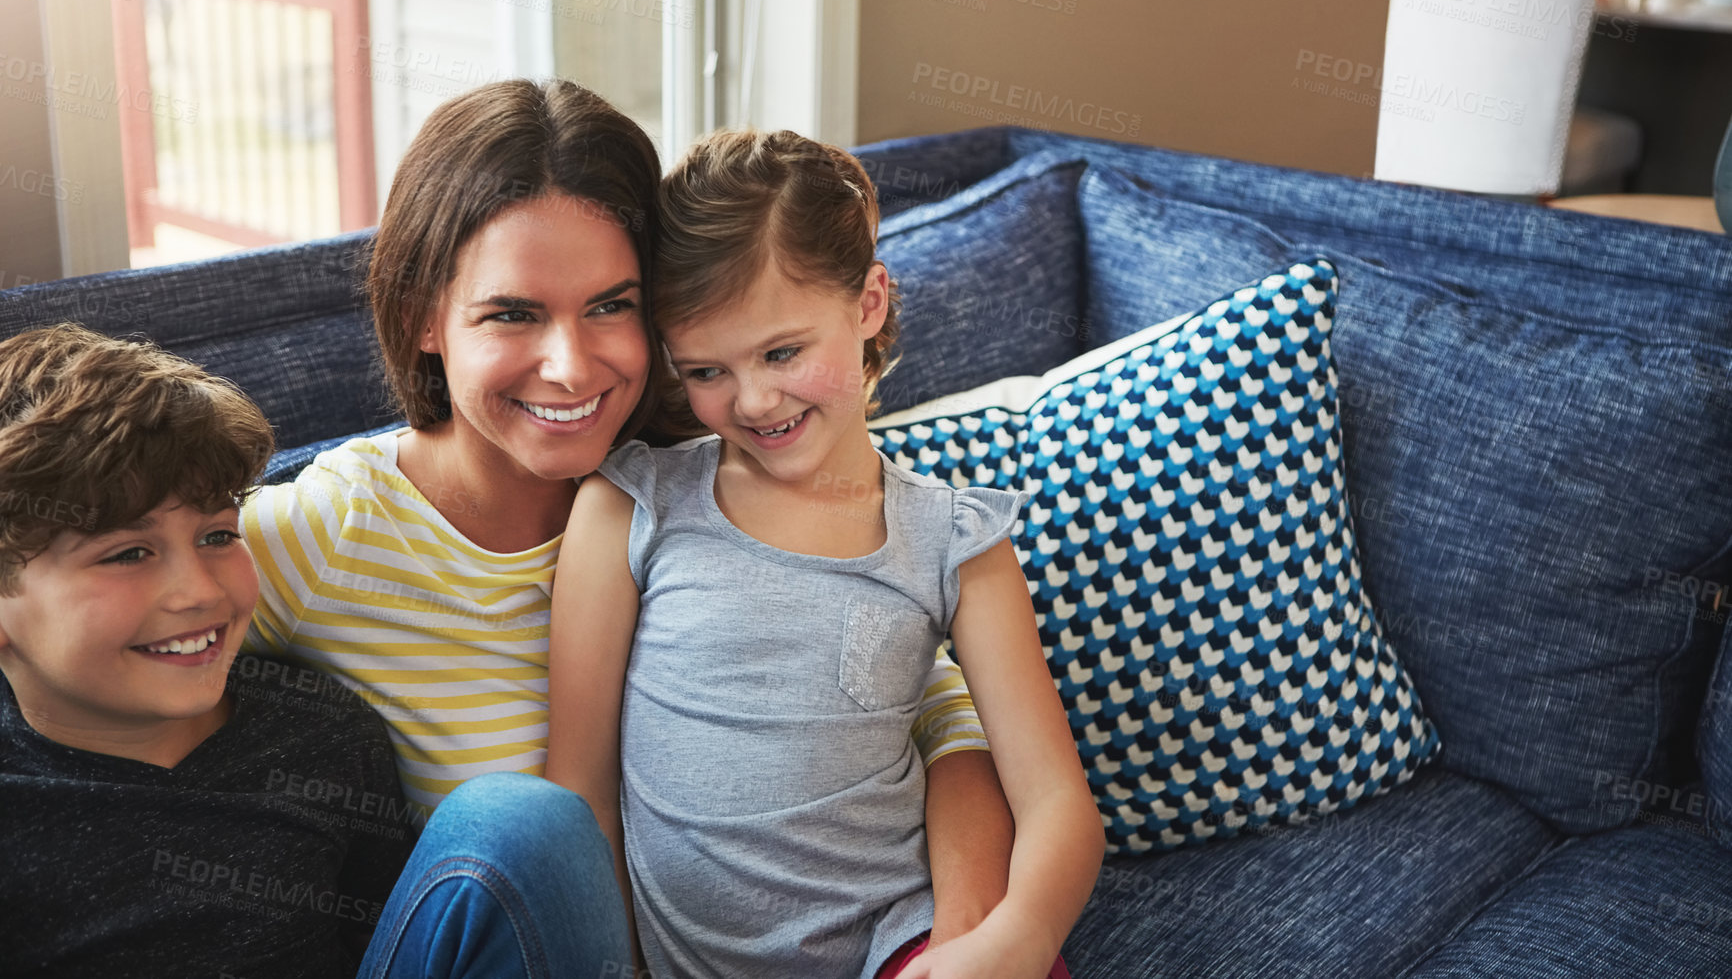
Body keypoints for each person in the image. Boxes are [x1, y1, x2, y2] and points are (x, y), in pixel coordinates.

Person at [240, 80, 1019, 944]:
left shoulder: (723, 487)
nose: (571, 369)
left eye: (611, 305)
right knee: (522, 822)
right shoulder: (328, 533)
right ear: (428, 317)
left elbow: (934, 708)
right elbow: (96, 636)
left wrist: (972, 934)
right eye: (512, 314)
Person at [545, 128, 1105, 979]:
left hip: (901, 948)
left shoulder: (952, 540)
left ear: (869, 302)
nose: (754, 399)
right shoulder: (629, 507)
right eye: (705, 372)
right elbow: (578, 795)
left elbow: (1059, 802)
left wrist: (1012, 940)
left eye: (782, 352)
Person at [0, 323, 632, 979]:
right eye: (128, 553)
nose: (198, 591)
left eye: (217, 536)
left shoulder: (326, 739)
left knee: (521, 817)